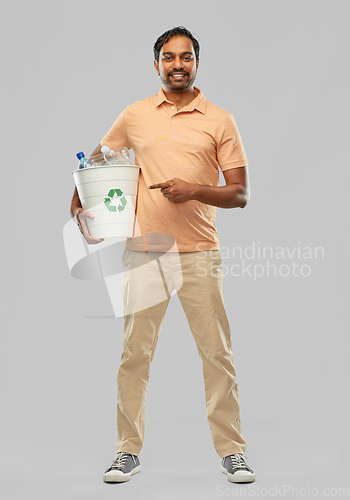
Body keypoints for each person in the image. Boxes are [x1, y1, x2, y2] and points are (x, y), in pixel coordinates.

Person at [70, 26, 256, 484]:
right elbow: (96, 162)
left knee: (217, 355)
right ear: (156, 64)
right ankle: (126, 451)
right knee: (135, 354)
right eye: (169, 57)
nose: (178, 65)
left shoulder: (220, 120)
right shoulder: (135, 115)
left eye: (186, 57)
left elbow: (240, 194)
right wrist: (78, 203)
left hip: (199, 253)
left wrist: (193, 189)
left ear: (196, 63)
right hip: (145, 250)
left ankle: (232, 451)